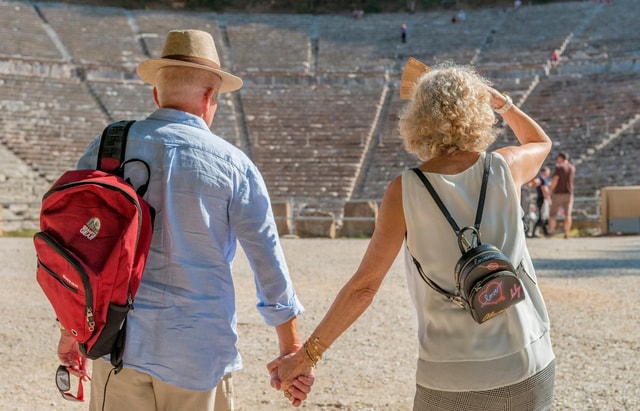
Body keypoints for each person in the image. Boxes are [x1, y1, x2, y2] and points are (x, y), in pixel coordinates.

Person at [270, 62, 555, 410]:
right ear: (477, 112)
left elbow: (364, 288)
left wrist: (307, 356)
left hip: (450, 375)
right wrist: (502, 103)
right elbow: (540, 141)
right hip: (526, 359)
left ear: (418, 118)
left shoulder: (404, 190)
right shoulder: (505, 166)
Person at [55, 29, 313, 410]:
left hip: (116, 345)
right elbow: (269, 266)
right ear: (209, 97)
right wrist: (292, 349)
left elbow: (75, 248)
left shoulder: (108, 145)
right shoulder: (234, 166)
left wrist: (71, 330)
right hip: (199, 359)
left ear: (156, 95)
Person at [548, 151, 576, 239]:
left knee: (553, 214)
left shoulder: (559, 167)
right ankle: (566, 232)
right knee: (568, 215)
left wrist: (550, 189)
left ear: (561, 158)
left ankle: (552, 231)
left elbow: (556, 179)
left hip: (558, 194)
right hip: (569, 194)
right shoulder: (572, 167)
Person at [529, 166, 551, 237]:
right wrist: (548, 199)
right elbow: (544, 189)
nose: (549, 173)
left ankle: (546, 233)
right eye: (548, 172)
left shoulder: (540, 179)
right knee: (542, 217)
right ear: (544, 172)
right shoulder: (542, 179)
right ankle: (534, 232)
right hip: (542, 199)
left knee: (544, 216)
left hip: (541, 199)